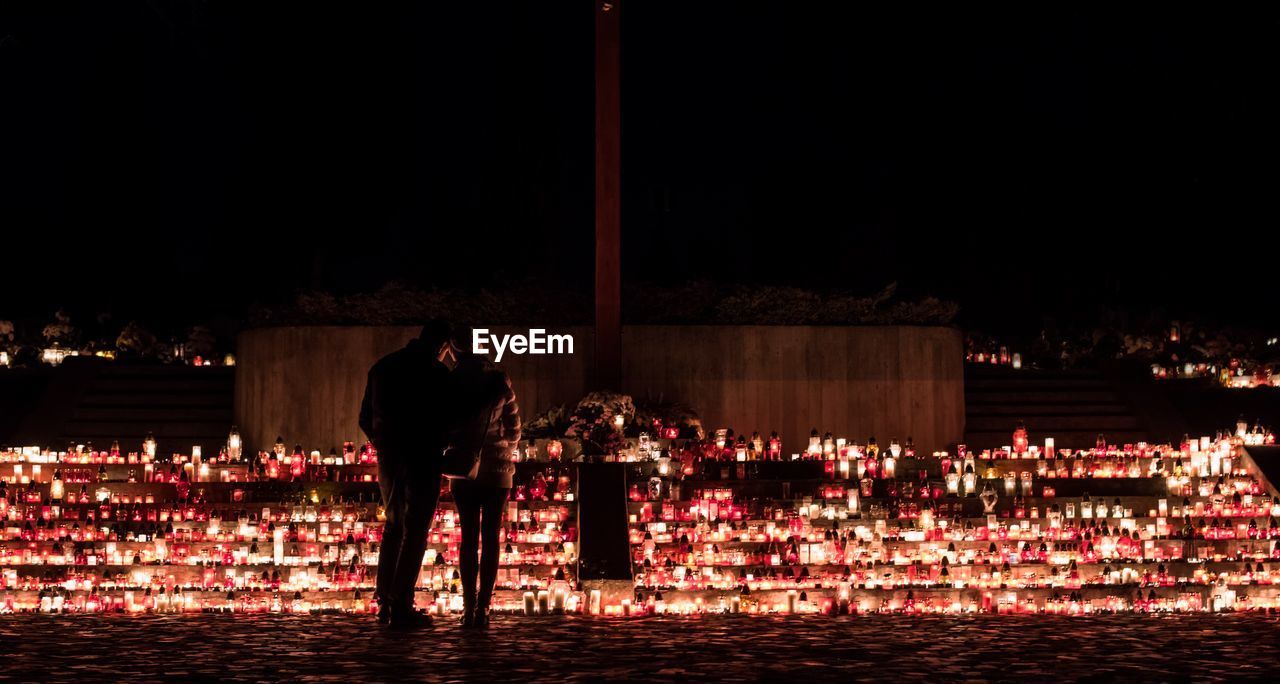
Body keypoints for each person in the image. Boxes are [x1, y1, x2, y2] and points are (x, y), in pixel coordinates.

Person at [358, 320, 456, 629]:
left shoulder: (383, 367)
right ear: (442, 347)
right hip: (424, 457)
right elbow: (448, 420)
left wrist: (384, 443)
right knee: (415, 532)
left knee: (394, 526)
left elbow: (364, 417)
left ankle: (385, 600)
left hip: (390, 457)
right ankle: (401, 603)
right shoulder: (438, 374)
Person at [446, 351, 520, 628]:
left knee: (468, 538)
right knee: (491, 539)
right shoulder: (498, 383)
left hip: (463, 469)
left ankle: (467, 605)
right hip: (497, 471)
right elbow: (514, 430)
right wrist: (499, 446)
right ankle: (483, 606)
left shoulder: (452, 383)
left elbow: (445, 426)